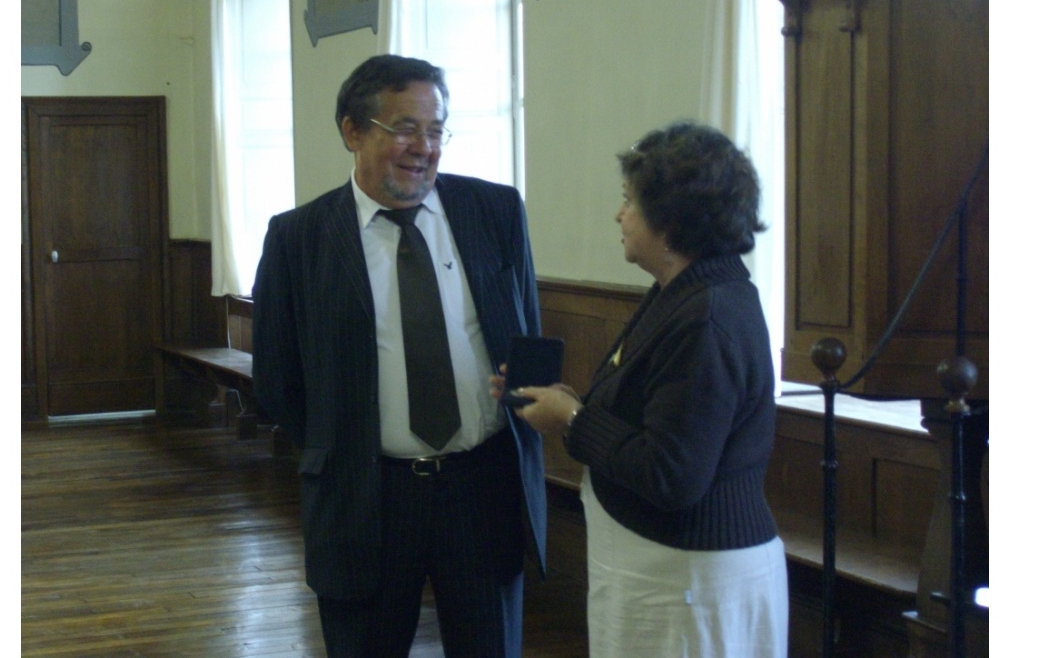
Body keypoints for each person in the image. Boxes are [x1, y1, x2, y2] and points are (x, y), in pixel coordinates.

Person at [252, 54, 547, 658]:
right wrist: (347, 443)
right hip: (367, 495)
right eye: (404, 128)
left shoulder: (494, 213)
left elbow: (526, 339)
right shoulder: (298, 238)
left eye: (436, 129)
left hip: (480, 488)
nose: (425, 147)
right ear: (352, 132)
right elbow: (279, 380)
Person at [500, 121, 788, 656]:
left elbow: (671, 475)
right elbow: (653, 416)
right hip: (663, 567)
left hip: (693, 579)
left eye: (629, 201)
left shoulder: (707, 315)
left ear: (671, 221)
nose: (619, 214)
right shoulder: (681, 291)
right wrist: (567, 403)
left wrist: (573, 419)